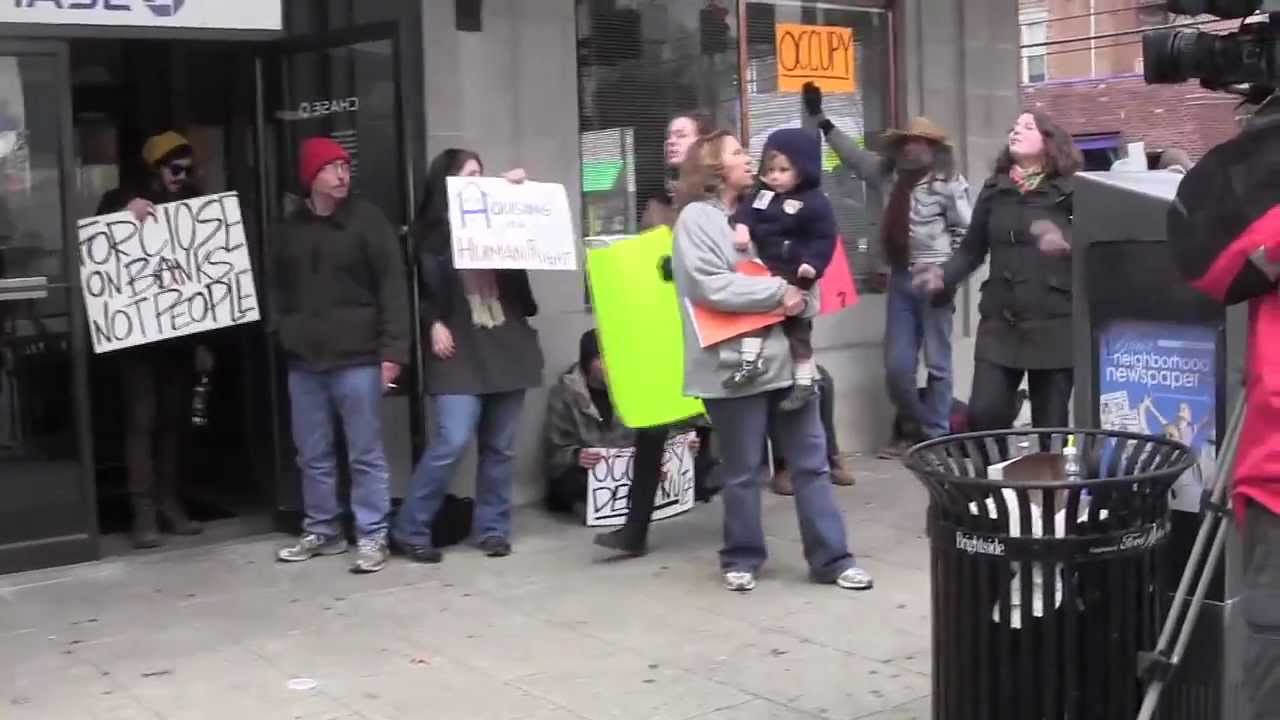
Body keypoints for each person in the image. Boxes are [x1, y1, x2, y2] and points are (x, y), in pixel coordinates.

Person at [671, 128, 872, 593]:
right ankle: (741, 557)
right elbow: (709, 285)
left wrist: (803, 292)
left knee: (812, 463)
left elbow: (807, 273)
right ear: (714, 168)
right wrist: (780, 293)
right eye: (738, 152)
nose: (751, 159)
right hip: (730, 365)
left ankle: (833, 559)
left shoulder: (772, 207)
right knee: (742, 471)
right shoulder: (697, 221)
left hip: (786, 360)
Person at [801, 83, 972, 457]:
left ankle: (938, 437)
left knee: (939, 365)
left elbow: (968, 235)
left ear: (933, 149)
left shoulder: (948, 185)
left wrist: (949, 277)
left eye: (921, 142)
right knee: (897, 368)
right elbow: (850, 155)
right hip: (900, 280)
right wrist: (822, 120)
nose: (913, 147)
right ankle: (915, 429)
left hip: (935, 279)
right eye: (907, 142)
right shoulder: (886, 175)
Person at [392, 149, 543, 563]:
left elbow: (528, 251)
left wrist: (515, 197)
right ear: (448, 183)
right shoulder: (428, 236)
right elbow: (416, 289)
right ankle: (411, 528)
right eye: (470, 176)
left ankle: (493, 529)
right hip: (457, 344)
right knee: (452, 440)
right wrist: (431, 322)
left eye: (483, 174)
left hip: (506, 340)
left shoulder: (499, 219)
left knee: (500, 448)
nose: (480, 181)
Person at [271, 137, 410, 574]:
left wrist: (393, 352)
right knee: (312, 453)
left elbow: (394, 289)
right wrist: (282, 330)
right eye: (332, 167)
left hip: (358, 357)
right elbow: (275, 287)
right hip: (305, 360)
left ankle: (372, 535)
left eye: (345, 166)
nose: (342, 175)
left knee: (364, 452)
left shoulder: (368, 221)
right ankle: (323, 530)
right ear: (311, 176)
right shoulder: (289, 228)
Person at [594, 112, 717, 558]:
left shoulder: (715, 198)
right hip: (666, 326)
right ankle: (635, 529)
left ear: (703, 143)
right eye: (667, 134)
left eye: (680, 134)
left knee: (730, 416)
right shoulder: (659, 197)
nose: (670, 141)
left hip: (711, 324)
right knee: (651, 423)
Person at [914, 110, 1081, 431]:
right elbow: (971, 250)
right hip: (1001, 322)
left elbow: (1095, 241)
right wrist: (943, 275)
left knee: (1052, 426)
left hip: (1055, 323)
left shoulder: (1071, 190)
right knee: (984, 416)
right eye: (1014, 125)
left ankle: (1051, 480)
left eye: (1027, 126)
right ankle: (997, 479)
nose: (1016, 130)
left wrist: (1066, 241)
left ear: (1048, 141)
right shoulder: (996, 189)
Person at [96, 131, 213, 548]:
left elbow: (205, 277)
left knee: (172, 423)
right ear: (154, 169)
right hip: (138, 343)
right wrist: (122, 214)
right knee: (142, 422)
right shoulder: (119, 200)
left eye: (187, 169)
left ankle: (168, 503)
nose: (181, 177)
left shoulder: (195, 206)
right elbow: (97, 247)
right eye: (174, 169)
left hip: (178, 339)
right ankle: (142, 511)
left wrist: (202, 342)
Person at [543, 330, 713, 518]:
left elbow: (657, 426)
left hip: (629, 466)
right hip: (591, 470)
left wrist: (681, 445)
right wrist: (577, 455)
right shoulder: (563, 395)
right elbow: (556, 449)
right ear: (587, 362)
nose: (611, 367)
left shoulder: (632, 387)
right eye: (603, 360)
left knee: (678, 467)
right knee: (565, 485)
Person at [727, 128, 837, 413]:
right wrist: (741, 228)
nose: (775, 176)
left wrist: (812, 264)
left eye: (784, 170)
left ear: (803, 170)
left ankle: (804, 382)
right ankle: (749, 363)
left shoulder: (815, 203)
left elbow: (824, 238)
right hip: (765, 271)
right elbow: (746, 213)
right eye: (770, 169)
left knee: (798, 331)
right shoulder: (762, 196)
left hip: (797, 275)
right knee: (755, 318)